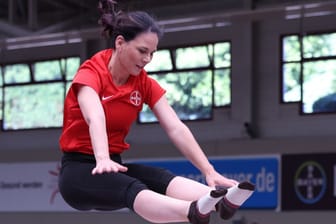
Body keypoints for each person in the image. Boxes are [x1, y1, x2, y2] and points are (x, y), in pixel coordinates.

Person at [58, 0, 255, 223]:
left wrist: (209, 171)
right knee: (134, 187)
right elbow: (95, 116)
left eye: (152, 53)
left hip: (113, 163)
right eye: (142, 51)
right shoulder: (90, 73)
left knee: (158, 178)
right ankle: (191, 211)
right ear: (120, 42)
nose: (147, 60)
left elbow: (176, 128)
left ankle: (220, 202)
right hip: (78, 172)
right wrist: (102, 158)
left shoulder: (143, 84)